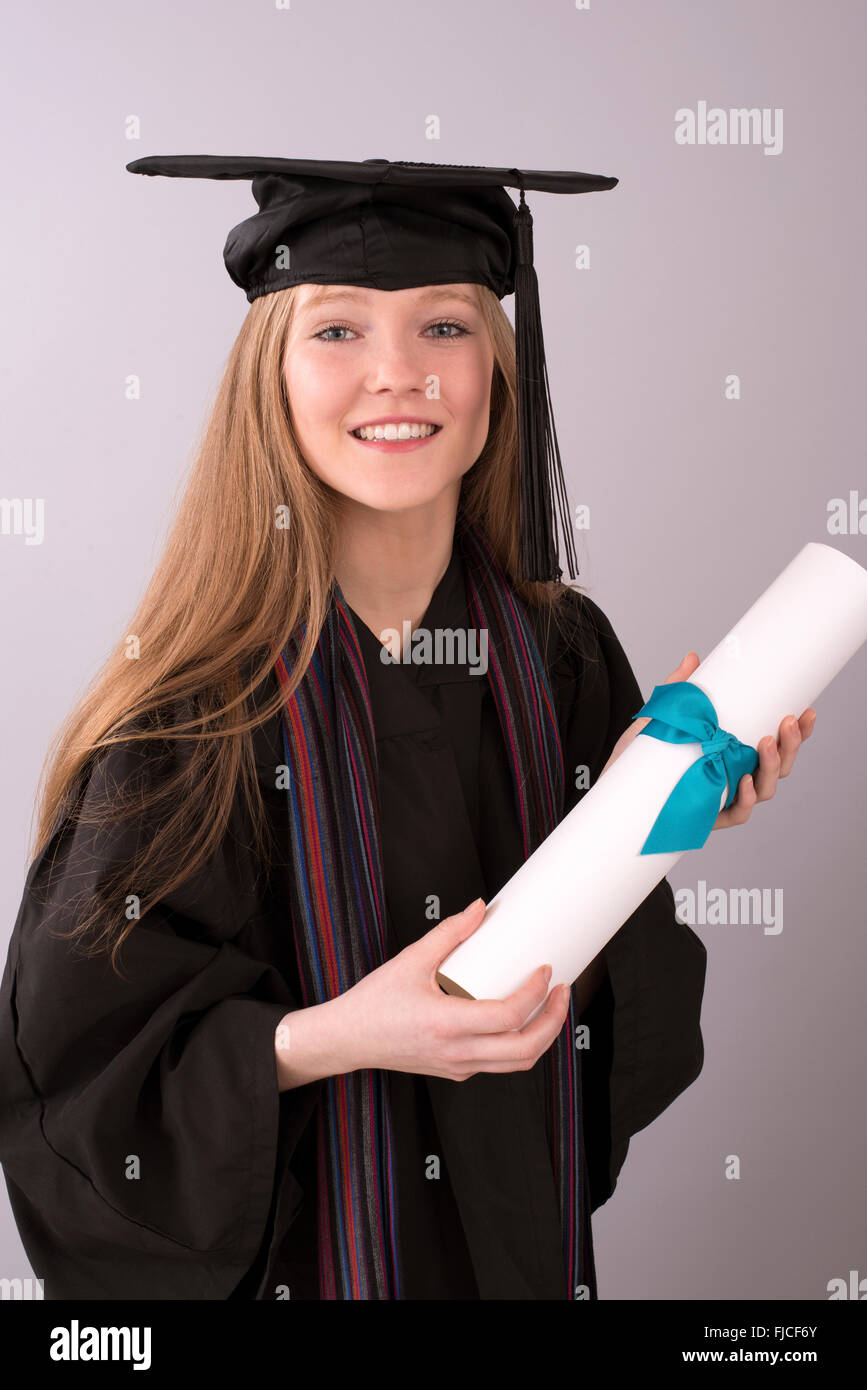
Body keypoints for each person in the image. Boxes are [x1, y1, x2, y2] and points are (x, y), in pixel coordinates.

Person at [0, 157, 815, 1301]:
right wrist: (333, 1035)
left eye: (443, 326)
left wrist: (651, 821)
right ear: (270, 383)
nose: (398, 374)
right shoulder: (190, 715)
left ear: (495, 370)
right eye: (336, 331)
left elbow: (607, 1023)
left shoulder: (562, 655)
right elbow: (80, 1098)